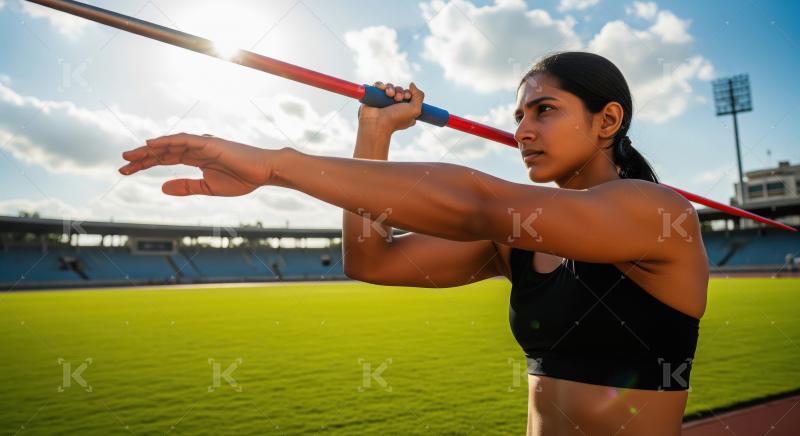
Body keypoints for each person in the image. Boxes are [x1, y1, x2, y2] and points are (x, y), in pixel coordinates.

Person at [118, 51, 709, 435]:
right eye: (519, 114)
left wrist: (277, 165)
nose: (522, 131)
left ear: (607, 121)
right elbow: (371, 259)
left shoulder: (657, 212)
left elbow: (475, 200)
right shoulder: (519, 241)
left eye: (544, 110)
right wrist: (373, 132)